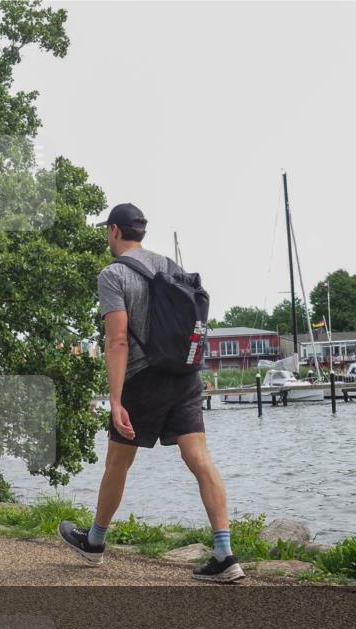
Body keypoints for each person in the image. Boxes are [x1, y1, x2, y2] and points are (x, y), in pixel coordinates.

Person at [58, 203, 244, 583]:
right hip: (185, 375)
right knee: (200, 459)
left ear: (113, 230)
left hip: (143, 380)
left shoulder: (113, 275)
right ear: (140, 231)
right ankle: (224, 554)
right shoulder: (169, 266)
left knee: (118, 463)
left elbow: (118, 339)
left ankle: (94, 542)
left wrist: (114, 399)